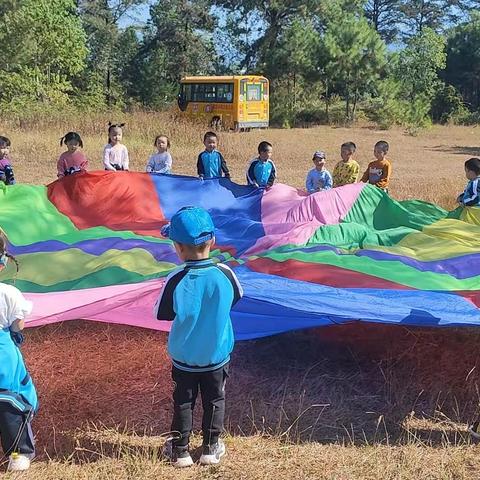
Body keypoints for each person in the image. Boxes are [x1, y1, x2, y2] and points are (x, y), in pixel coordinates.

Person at [154, 206, 242, 468]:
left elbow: (163, 313)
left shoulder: (176, 278)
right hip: (216, 355)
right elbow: (235, 299)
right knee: (215, 399)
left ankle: (180, 451)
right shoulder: (225, 274)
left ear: (177, 247)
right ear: (212, 241)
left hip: (185, 357)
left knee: (183, 401)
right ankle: (211, 449)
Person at [0, 231, 38, 472]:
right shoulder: (9, 293)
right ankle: (18, 454)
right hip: (3, 358)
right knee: (9, 404)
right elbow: (18, 325)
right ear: (3, 262)